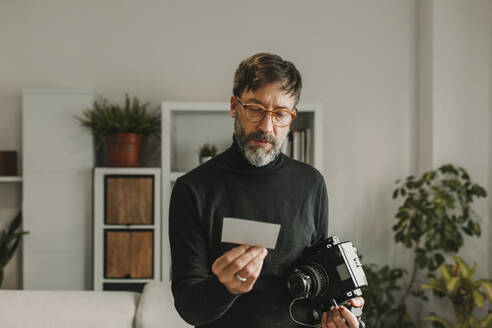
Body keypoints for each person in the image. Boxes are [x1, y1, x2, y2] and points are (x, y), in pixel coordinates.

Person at [169, 53, 363, 328]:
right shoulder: (193, 189)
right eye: (256, 109)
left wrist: (338, 311)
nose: (266, 126)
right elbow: (190, 309)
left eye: (280, 114)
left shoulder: (311, 184)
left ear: (292, 117)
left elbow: (318, 280)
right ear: (234, 106)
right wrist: (225, 287)